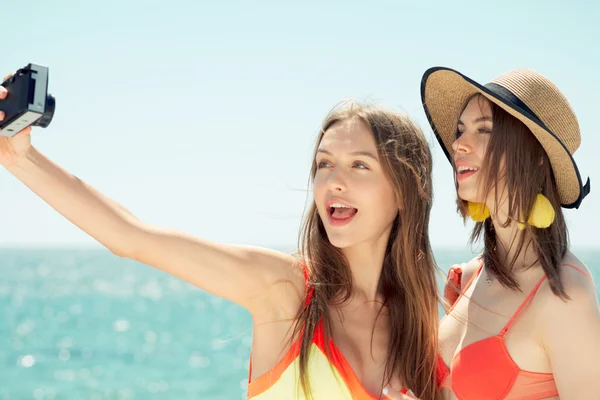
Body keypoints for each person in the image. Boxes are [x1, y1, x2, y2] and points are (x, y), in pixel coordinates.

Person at [0, 71, 445, 399]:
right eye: (324, 164)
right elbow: (131, 236)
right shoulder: (286, 290)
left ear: (405, 191)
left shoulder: (421, 320)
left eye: (359, 165)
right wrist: (21, 160)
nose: (334, 181)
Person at [420, 66, 600, 399]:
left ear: (536, 157)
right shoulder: (468, 277)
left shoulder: (565, 294)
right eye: (459, 131)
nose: (459, 144)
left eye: (483, 130)